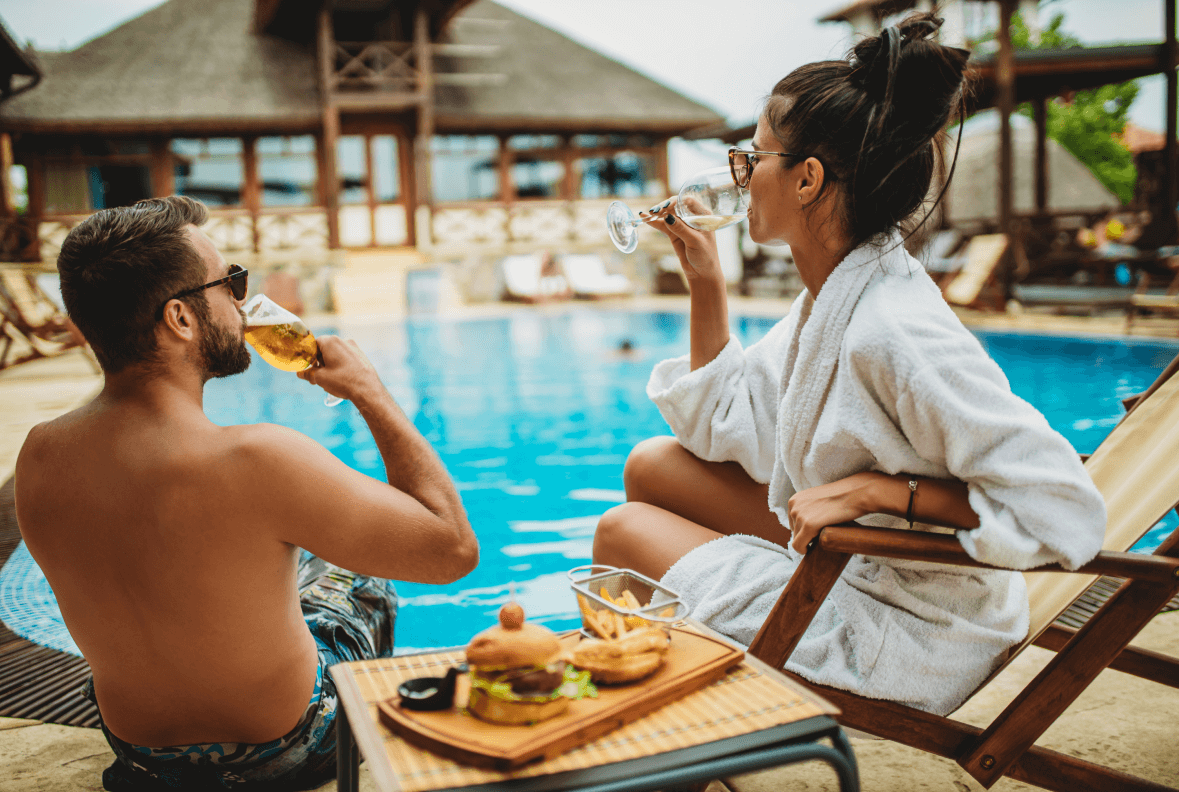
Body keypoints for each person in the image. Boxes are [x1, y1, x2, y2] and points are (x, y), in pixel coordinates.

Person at [592, 14, 1106, 717]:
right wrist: (704, 283)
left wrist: (879, 492)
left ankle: (641, 709)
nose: (737, 177)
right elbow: (722, 424)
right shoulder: (841, 294)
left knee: (621, 533)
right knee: (653, 466)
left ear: (805, 179)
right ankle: (664, 675)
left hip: (915, 633)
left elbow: (1063, 512)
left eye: (752, 158)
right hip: (861, 564)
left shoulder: (894, 333)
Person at [14, 197, 478, 790]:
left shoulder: (40, 454)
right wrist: (369, 391)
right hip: (285, 751)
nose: (242, 300)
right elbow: (452, 550)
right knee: (358, 571)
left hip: (140, 753)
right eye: (231, 281)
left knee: (290, 541)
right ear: (180, 318)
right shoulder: (259, 458)